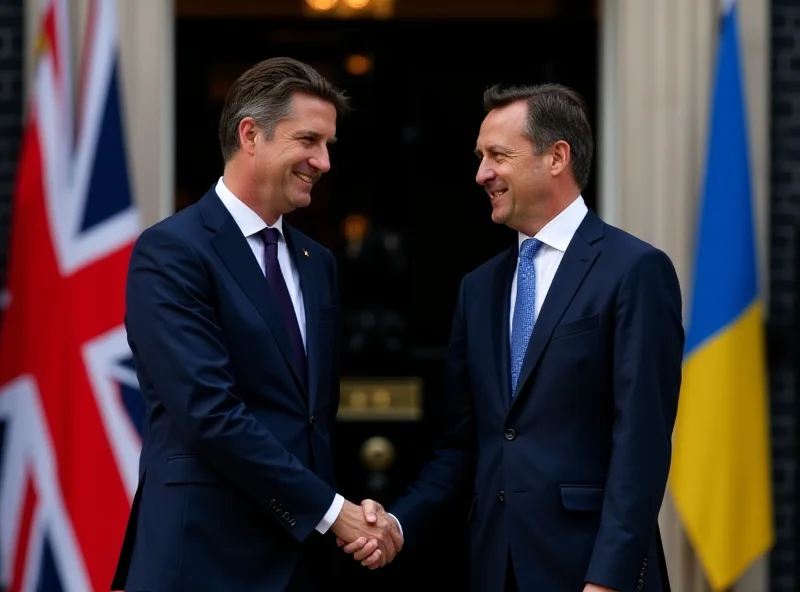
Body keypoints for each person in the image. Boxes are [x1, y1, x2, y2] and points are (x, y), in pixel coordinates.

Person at [343, 84, 684, 591]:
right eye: (480, 157)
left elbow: (642, 444)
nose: (481, 174)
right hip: (495, 569)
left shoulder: (635, 270)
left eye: (497, 155)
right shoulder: (478, 288)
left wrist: (608, 579)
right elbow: (462, 446)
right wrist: (396, 523)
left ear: (557, 157)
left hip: (592, 573)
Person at [111, 57, 401, 592]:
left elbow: (311, 419)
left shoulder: (320, 264)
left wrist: (344, 520)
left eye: (329, 145)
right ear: (250, 135)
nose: (324, 161)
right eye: (309, 140)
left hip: (300, 562)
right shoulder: (171, 252)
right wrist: (333, 511)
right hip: (201, 558)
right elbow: (208, 412)